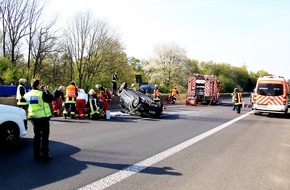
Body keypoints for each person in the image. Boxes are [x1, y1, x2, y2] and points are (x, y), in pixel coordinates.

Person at [24, 79, 54, 161]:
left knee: (36, 137)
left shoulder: (27, 94)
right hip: (43, 118)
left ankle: (36, 155)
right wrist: (46, 90)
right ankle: (45, 155)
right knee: (44, 137)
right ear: (38, 85)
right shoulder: (41, 94)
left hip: (34, 118)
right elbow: (51, 98)